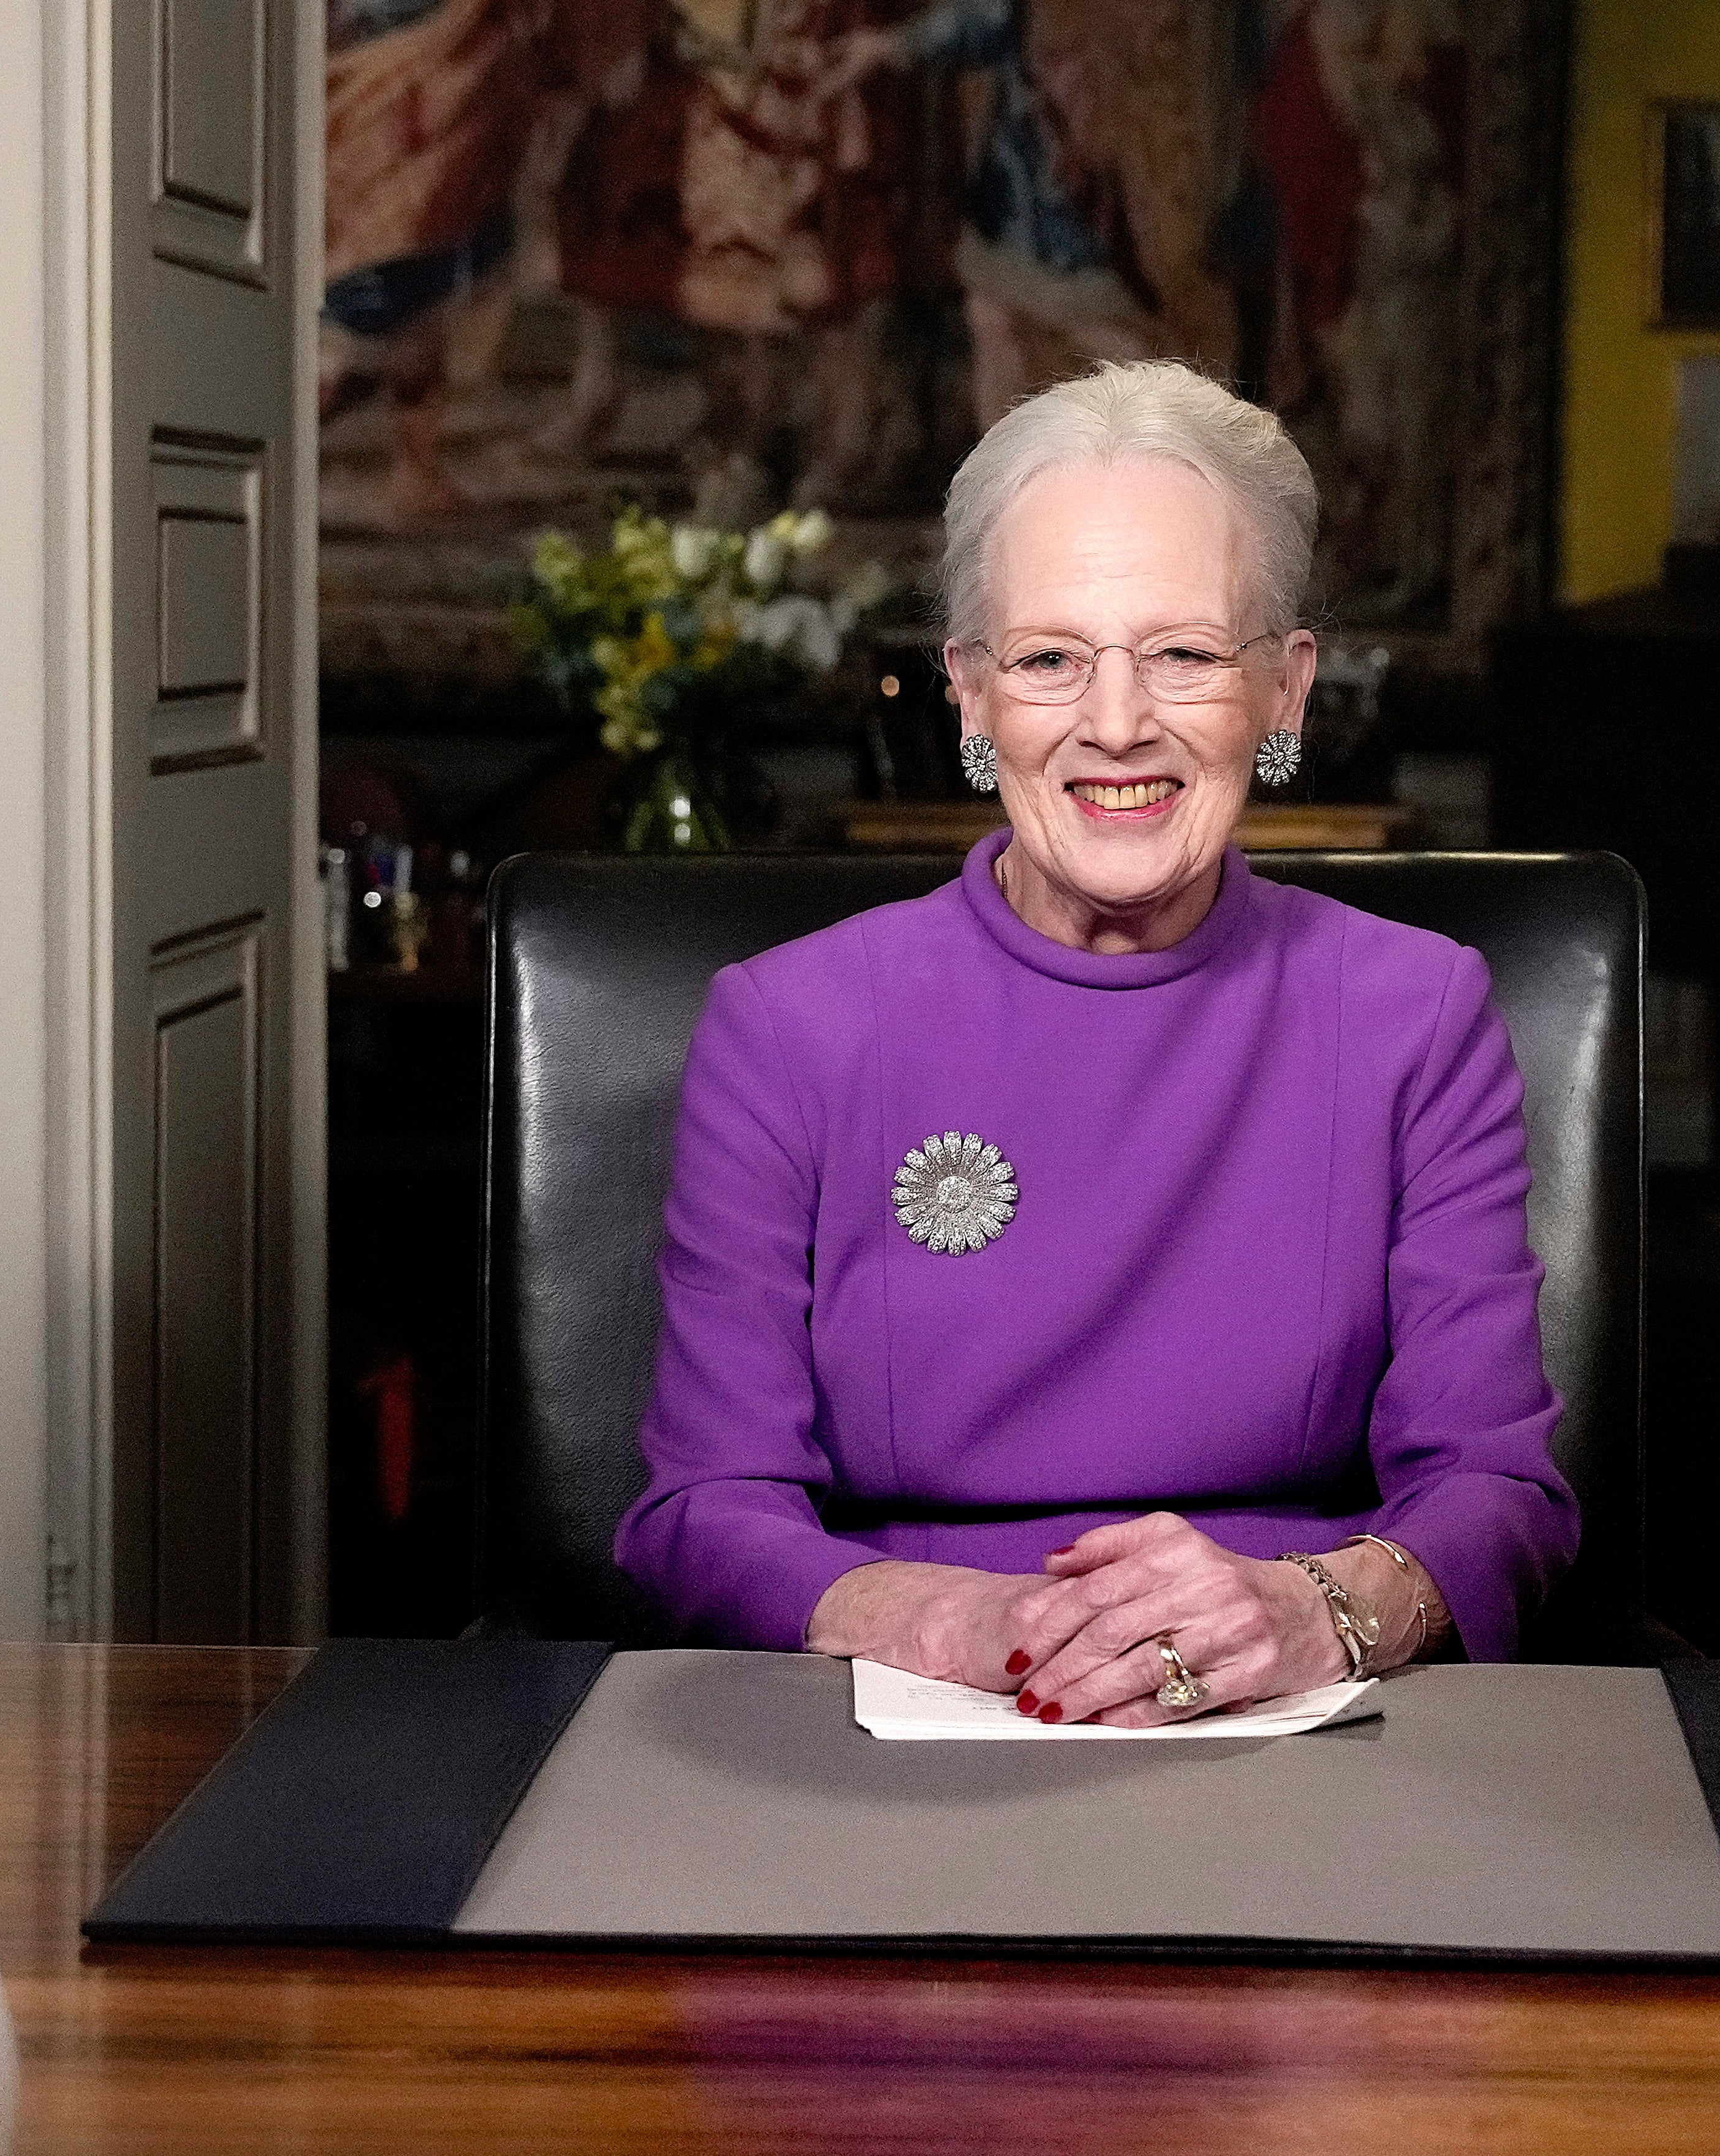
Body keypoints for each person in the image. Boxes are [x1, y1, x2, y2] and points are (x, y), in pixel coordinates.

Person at [615, 360, 1574, 1724]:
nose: (1116, 725)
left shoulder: (1416, 1013)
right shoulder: (788, 1026)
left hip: (1295, 1724)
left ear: (1285, 691)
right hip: (899, 1718)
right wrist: (964, 1621)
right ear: (969, 694)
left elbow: (1500, 1492)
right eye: (1052, 658)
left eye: (1184, 654)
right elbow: (703, 1510)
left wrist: (1311, 1611)